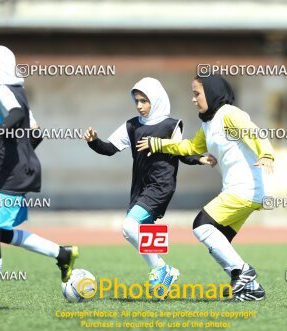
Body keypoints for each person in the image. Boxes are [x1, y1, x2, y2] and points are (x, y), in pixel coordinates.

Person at [0, 45, 78, 314]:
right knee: (1, 232)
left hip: (13, 175)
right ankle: (62, 254)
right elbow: (36, 132)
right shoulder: (18, 91)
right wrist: (22, 156)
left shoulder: (2, 91)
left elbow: (16, 116)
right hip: (20, 171)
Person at [137, 74, 274, 301]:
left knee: (201, 225)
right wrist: (158, 143)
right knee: (218, 239)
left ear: (211, 93)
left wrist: (266, 153)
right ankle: (252, 289)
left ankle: (244, 272)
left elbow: (253, 132)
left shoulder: (229, 113)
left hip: (245, 189)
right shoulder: (209, 123)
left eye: (197, 93)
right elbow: (191, 147)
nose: (193, 99)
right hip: (239, 190)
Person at [83, 77, 216, 297]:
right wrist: (93, 141)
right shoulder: (132, 125)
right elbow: (109, 148)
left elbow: (181, 151)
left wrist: (199, 159)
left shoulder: (170, 125)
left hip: (161, 186)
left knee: (128, 226)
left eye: (144, 101)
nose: (139, 106)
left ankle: (161, 269)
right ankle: (163, 272)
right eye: (136, 101)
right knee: (137, 232)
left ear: (156, 99)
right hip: (140, 187)